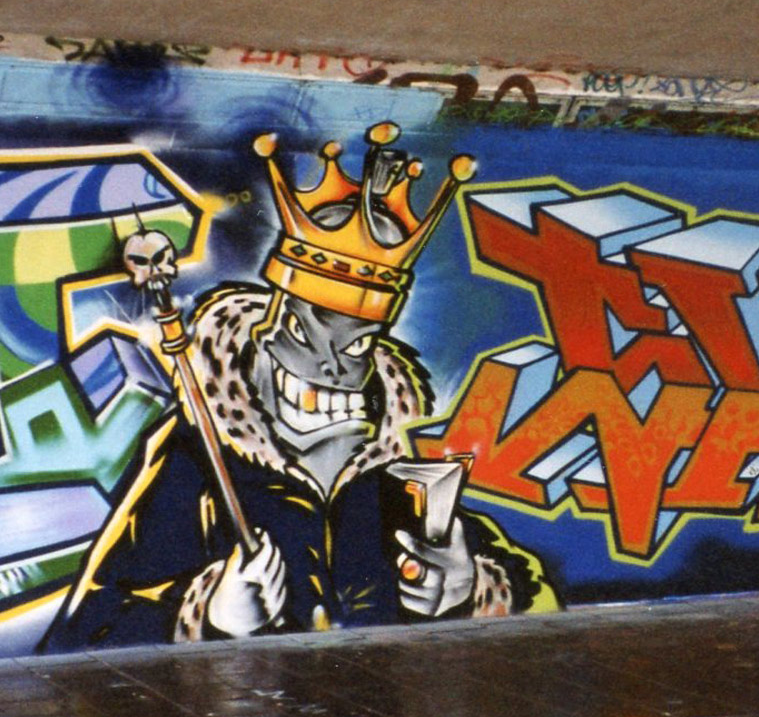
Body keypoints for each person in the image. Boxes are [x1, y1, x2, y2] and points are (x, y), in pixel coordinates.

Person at [42, 124, 553, 649]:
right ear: (269, 327)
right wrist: (209, 612)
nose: (329, 367)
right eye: (301, 332)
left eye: (357, 345)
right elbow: (84, 634)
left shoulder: (397, 465)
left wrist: (470, 586)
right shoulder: (199, 456)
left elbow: (543, 598)